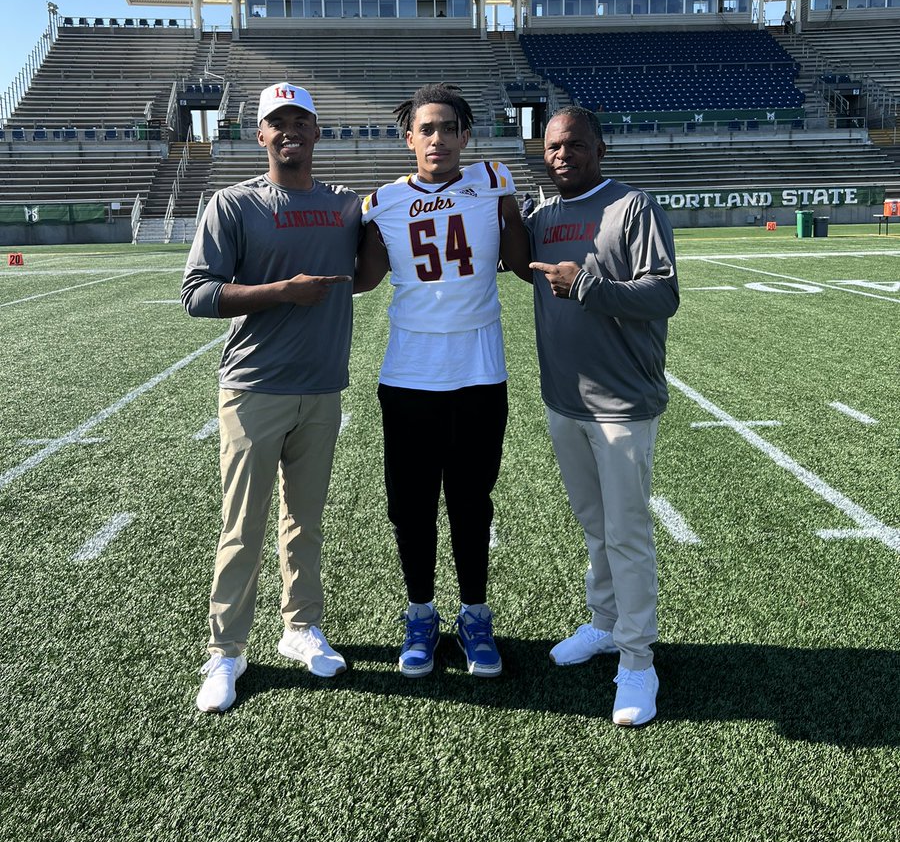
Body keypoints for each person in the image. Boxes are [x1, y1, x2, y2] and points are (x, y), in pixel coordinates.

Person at [182, 81, 361, 713]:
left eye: (299, 121)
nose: (288, 131)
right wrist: (282, 291)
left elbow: (365, 274)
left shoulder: (344, 206)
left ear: (317, 132)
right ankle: (226, 652)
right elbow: (197, 294)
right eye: (275, 122)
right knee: (242, 527)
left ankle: (300, 627)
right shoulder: (232, 204)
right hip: (254, 388)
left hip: (322, 388)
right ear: (260, 135)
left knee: (304, 523)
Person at [354, 82, 529, 678]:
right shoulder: (382, 201)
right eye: (425, 129)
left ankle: (475, 615)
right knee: (410, 506)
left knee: (472, 501)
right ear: (409, 140)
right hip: (409, 374)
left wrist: (510, 208)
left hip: (480, 371)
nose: (437, 138)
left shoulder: (493, 181)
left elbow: (518, 260)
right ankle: (421, 614)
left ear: (464, 136)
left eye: (446, 128)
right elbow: (364, 279)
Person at [524, 106, 678, 726]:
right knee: (595, 527)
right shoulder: (544, 215)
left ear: (600, 149)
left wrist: (587, 283)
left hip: (622, 404)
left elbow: (664, 294)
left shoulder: (632, 207)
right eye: (554, 146)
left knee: (628, 534)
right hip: (565, 399)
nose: (563, 155)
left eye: (576, 145)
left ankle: (639, 662)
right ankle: (607, 624)